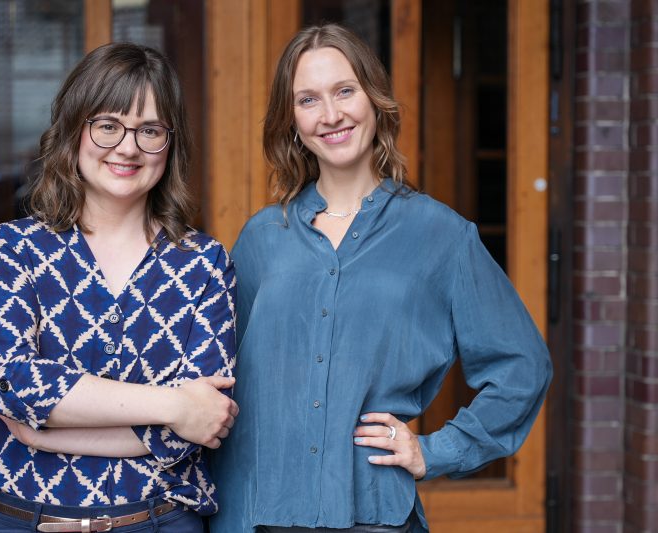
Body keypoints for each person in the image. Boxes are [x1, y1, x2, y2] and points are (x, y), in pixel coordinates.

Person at [209, 24, 552, 533]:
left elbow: (522, 368)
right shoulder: (262, 238)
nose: (331, 115)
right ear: (292, 120)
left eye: (345, 91)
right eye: (308, 99)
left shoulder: (441, 236)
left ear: (374, 98)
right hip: (259, 514)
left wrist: (435, 450)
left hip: (373, 515)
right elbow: (222, 383)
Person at [0, 42, 237, 533]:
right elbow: (12, 383)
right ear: (74, 130)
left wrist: (41, 434)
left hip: (159, 521)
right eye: (108, 125)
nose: (128, 146)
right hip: (23, 521)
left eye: (150, 130)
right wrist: (171, 404)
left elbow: (199, 427)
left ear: (171, 144)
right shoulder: (14, 249)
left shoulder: (204, 264)